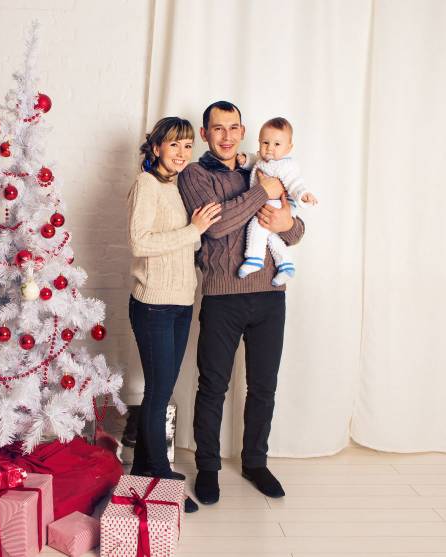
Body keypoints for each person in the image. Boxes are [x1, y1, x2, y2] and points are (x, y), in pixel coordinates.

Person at [177, 101, 305, 504]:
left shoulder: (262, 168)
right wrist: (262, 193)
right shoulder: (195, 174)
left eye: (234, 128)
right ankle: (208, 467)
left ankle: (255, 462)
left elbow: (292, 230)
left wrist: (288, 222)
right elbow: (216, 227)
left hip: (270, 295)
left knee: (264, 385)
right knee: (213, 386)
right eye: (218, 128)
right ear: (205, 134)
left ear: (243, 131)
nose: (227, 136)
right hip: (222, 297)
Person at [127, 116, 221, 513]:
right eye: (174, 145)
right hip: (153, 304)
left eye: (187, 145)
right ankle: (164, 477)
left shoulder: (176, 186)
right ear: (156, 148)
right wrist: (194, 230)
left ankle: (141, 470)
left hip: (182, 302)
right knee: (158, 392)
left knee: (161, 388)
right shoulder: (146, 184)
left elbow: (185, 243)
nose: (182, 153)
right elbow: (139, 243)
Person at [236, 117, 318, 285]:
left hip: (280, 204)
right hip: (268, 202)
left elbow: (295, 183)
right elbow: (255, 161)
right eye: (265, 143)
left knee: (257, 224)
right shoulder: (264, 160)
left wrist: (303, 195)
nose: (270, 148)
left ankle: (255, 258)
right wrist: (245, 160)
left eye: (277, 144)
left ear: (289, 148)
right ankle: (286, 265)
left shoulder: (286, 166)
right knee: (272, 237)